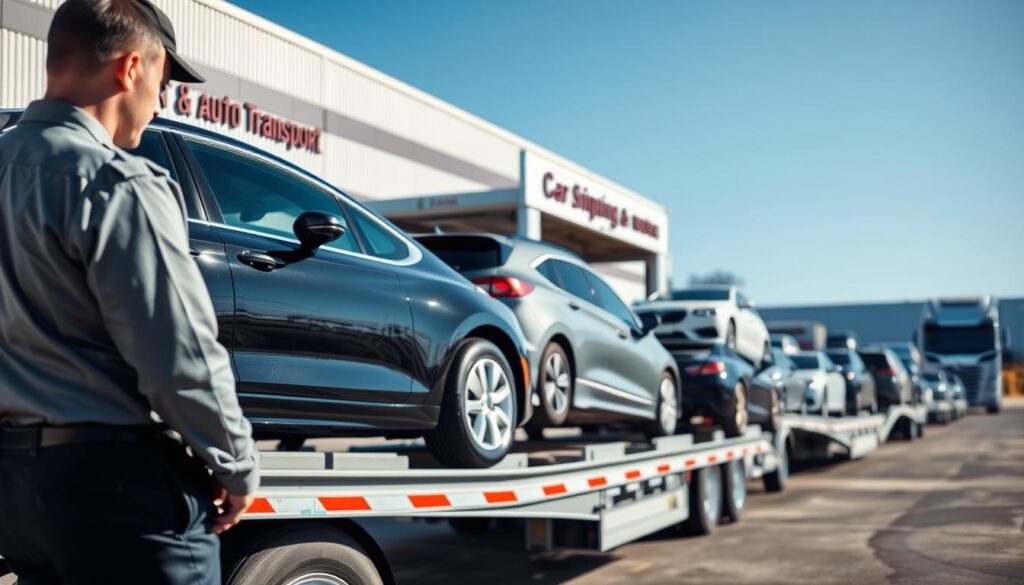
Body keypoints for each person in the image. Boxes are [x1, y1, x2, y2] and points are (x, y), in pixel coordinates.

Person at [0, 0, 259, 583]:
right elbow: (179, 353)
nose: (162, 102)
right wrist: (237, 466)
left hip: (15, 491)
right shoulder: (116, 182)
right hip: (115, 489)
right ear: (131, 68)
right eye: (164, 82)